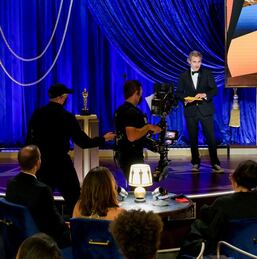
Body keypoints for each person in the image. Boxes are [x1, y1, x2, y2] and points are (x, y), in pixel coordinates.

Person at [25, 83, 116, 216]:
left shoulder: (37, 114)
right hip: (61, 164)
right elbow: (84, 142)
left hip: (42, 164)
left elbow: (29, 141)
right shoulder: (66, 116)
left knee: (41, 200)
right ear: (62, 98)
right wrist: (103, 139)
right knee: (74, 199)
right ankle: (73, 226)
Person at [178, 160, 257, 257]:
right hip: (255, 250)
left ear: (236, 179)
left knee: (194, 230)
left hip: (227, 250)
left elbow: (210, 232)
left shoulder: (223, 204)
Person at [6, 145, 70, 248]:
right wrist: (65, 225)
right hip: (40, 240)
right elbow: (54, 221)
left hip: (16, 236)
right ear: (37, 163)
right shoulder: (43, 190)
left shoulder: (11, 184)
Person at [176, 50, 223, 173]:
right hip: (191, 111)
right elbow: (179, 93)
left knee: (211, 138)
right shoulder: (183, 76)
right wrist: (186, 99)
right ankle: (195, 163)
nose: (197, 64)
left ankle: (215, 163)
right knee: (193, 138)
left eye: (199, 62)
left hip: (205, 109)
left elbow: (214, 91)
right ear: (189, 62)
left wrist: (205, 94)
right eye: (194, 62)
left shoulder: (207, 73)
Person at [114, 80, 162, 180]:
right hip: (132, 157)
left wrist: (148, 130)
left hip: (123, 155)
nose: (141, 96)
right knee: (139, 189)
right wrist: (148, 127)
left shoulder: (120, 110)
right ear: (136, 92)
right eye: (141, 92)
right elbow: (131, 136)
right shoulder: (131, 112)